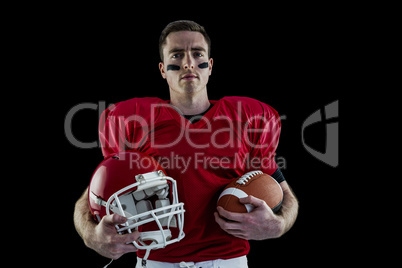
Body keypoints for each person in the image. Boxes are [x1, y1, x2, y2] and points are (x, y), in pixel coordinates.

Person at [74, 20, 298, 268]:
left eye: (197, 53)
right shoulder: (132, 120)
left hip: (229, 260)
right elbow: (95, 194)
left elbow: (284, 194)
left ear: (210, 66)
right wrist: (91, 235)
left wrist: (278, 224)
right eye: (177, 54)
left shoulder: (249, 117)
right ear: (162, 69)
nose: (188, 62)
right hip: (157, 260)